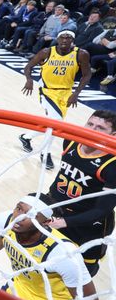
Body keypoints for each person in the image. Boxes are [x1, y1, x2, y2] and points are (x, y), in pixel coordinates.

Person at [44, 110, 116, 277]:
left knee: (81, 270)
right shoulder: (70, 141)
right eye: (90, 124)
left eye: (100, 127)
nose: (92, 129)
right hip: (57, 209)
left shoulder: (112, 164)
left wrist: (64, 222)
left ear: (113, 135)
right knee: (49, 259)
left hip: (89, 224)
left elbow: (101, 211)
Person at [19, 31, 91, 170]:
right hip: (47, 91)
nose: (65, 39)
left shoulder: (81, 54)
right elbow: (28, 67)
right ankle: (45, 153)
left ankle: (26, 137)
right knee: (56, 124)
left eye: (68, 37)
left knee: (53, 124)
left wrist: (76, 93)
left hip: (65, 93)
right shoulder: (46, 52)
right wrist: (29, 80)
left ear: (73, 40)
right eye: (62, 37)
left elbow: (87, 75)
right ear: (57, 39)